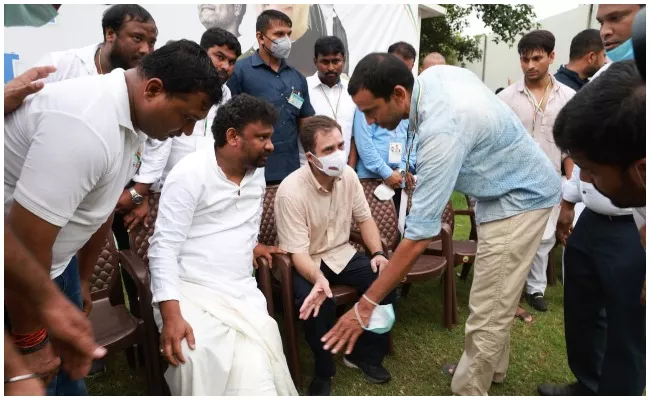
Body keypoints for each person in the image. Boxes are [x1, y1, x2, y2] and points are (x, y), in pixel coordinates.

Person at [320, 53, 561, 396]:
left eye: (371, 111)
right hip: (504, 194)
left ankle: (470, 387)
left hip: (519, 200)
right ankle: (487, 368)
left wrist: (364, 305)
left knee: (488, 304)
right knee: (498, 295)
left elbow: (418, 239)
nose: (369, 123)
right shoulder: (433, 79)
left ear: (399, 94)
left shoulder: (441, 132)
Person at [4, 40, 221, 396]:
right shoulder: (85, 125)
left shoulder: (131, 117)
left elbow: (101, 207)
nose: (185, 132)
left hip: (59, 266)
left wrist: (84, 279)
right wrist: (30, 342)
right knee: (45, 379)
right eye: (186, 118)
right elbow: (23, 249)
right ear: (153, 89)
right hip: (19, 279)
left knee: (69, 377)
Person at [148, 94, 296, 396]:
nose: (271, 145)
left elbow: (243, 221)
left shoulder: (256, 171)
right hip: (188, 290)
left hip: (239, 289)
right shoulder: (190, 174)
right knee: (193, 357)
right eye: (262, 137)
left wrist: (251, 246)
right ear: (233, 137)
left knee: (258, 368)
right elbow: (163, 247)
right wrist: (171, 315)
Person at [537, 61, 646, 396]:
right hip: (597, 226)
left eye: (592, 170)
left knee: (628, 329)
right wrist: (569, 202)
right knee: (583, 312)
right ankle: (588, 384)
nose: (585, 179)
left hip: (622, 230)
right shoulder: (616, 90)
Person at [275, 116, 397, 396]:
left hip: (342, 253)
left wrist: (377, 253)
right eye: (328, 150)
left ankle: (364, 354)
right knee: (319, 301)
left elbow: (365, 220)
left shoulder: (349, 176)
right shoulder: (290, 192)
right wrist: (318, 279)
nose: (338, 154)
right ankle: (323, 370)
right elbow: (298, 253)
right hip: (307, 261)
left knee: (384, 280)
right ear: (310, 157)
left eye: (341, 145)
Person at [34, 4, 158, 252]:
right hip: (50, 192)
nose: (146, 49)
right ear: (109, 34)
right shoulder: (61, 66)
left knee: (108, 264)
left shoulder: (147, 80)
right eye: (137, 38)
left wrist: (139, 190)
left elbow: (158, 140)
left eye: (152, 42)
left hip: (113, 193)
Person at [129, 27, 240, 228]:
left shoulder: (227, 94)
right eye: (219, 57)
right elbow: (154, 143)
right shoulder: (179, 85)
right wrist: (142, 192)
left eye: (232, 62)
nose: (225, 66)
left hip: (202, 189)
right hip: (160, 188)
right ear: (202, 53)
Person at [498, 30, 576, 313]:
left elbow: (570, 146)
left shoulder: (568, 96)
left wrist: (569, 182)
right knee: (515, 237)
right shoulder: (507, 97)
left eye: (536, 58)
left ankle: (536, 288)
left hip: (553, 179)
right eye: (524, 59)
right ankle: (510, 290)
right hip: (515, 180)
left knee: (545, 237)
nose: (530, 65)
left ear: (552, 57)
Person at [228, 9, 315, 184]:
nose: (286, 41)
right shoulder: (240, 71)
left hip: (291, 173)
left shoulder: (297, 77)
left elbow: (306, 124)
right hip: (250, 174)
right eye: (279, 34)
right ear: (260, 37)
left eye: (289, 35)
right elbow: (228, 122)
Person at [354, 43, 418, 215]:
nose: (402, 75)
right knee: (373, 232)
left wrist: (402, 170)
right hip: (371, 178)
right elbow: (364, 143)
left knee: (399, 231)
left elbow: (413, 139)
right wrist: (386, 172)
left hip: (400, 179)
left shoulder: (409, 101)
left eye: (407, 70)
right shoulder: (369, 99)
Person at [306, 36, 357, 167]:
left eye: (336, 61)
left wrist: (349, 169)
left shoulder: (352, 90)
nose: (331, 67)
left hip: (344, 169)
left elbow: (353, 137)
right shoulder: (304, 88)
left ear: (344, 60)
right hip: (312, 169)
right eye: (325, 62)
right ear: (315, 62)